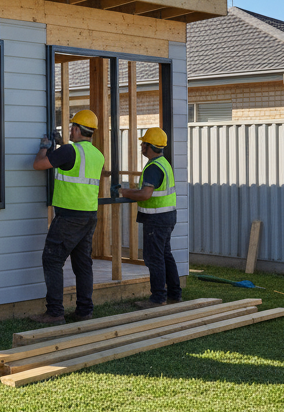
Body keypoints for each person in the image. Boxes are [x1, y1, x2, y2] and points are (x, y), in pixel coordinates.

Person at [32, 110, 105, 325]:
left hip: (69, 216)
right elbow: (74, 163)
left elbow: (38, 165)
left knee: (52, 260)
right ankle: (84, 311)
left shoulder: (68, 151)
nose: (70, 131)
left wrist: (45, 147)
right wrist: (62, 145)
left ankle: (55, 312)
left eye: (72, 128)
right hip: (89, 215)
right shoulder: (97, 154)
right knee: (83, 264)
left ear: (76, 129)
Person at [119, 127, 180, 307]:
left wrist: (124, 192)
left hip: (156, 219)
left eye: (143, 144)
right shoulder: (164, 163)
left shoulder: (153, 167)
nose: (141, 146)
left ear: (150, 146)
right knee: (165, 255)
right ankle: (174, 294)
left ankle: (158, 298)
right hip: (167, 217)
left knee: (154, 258)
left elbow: (145, 194)